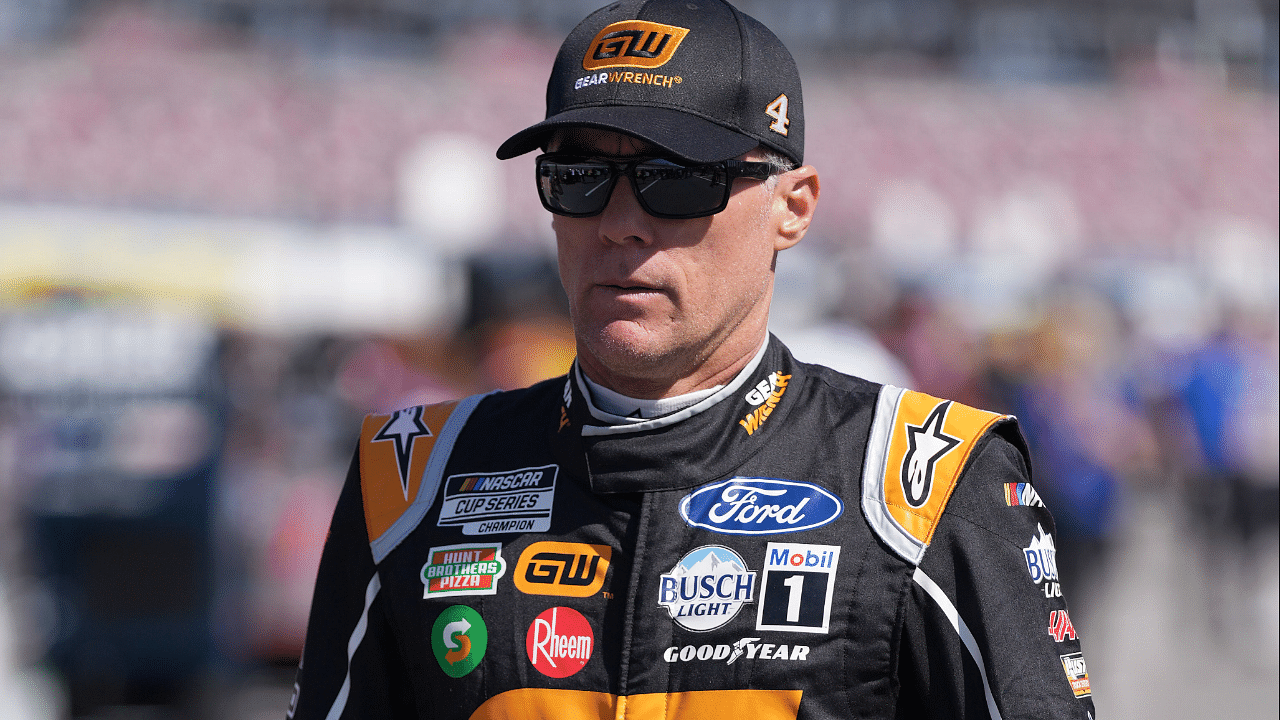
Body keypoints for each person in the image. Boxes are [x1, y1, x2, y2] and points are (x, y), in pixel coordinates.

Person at [288, 1, 1096, 718]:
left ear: (793, 206)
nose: (620, 223)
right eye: (579, 177)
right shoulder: (410, 479)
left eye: (674, 179)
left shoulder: (927, 483)